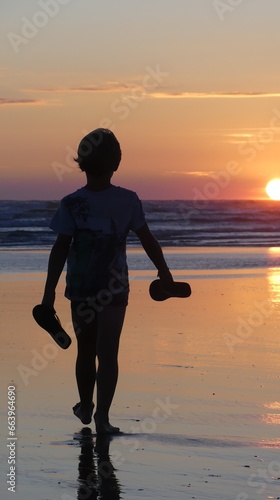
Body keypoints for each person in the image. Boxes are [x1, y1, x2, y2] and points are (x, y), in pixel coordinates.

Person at [41, 128, 174, 434]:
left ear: (81, 162)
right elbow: (148, 239)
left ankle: (85, 405)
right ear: (117, 162)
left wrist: (48, 295)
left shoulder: (71, 202)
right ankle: (102, 417)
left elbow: (60, 249)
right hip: (114, 288)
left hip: (81, 288)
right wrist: (163, 272)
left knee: (85, 350)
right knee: (108, 352)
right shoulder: (127, 200)